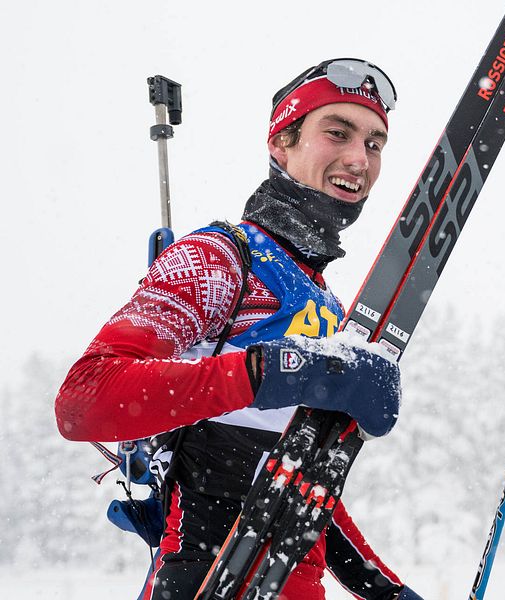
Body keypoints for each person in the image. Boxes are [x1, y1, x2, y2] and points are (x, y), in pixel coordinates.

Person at [55, 58, 423, 600]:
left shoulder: (325, 303)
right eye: (337, 133)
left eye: (374, 143)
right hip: (205, 578)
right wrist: (282, 370)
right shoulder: (219, 259)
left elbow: (299, 476)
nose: (357, 158)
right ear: (282, 143)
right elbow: (84, 399)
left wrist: (380, 586)